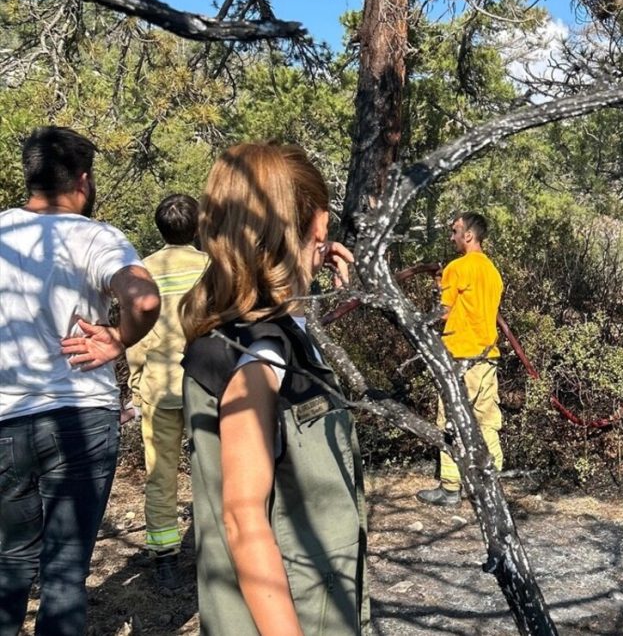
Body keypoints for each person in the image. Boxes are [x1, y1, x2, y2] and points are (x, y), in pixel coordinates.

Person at [179, 143, 368, 635]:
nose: (324, 248)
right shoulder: (262, 354)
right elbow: (244, 518)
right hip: (298, 611)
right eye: (320, 237)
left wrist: (314, 267)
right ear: (306, 230)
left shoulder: (230, 334)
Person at [0, 126, 161, 636]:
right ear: (83, 181)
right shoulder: (97, 237)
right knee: (65, 572)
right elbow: (144, 298)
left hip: (6, 420)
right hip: (80, 416)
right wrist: (118, 338)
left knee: (10, 563)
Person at [125, 193, 209, 589]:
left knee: (161, 474)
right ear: (198, 227)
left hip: (159, 387)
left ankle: (164, 559)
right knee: (215, 471)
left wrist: (136, 384)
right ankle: (219, 549)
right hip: (207, 384)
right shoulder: (212, 267)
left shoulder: (141, 271)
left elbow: (135, 337)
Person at [416, 212, 505, 507]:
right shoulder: (492, 271)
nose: (452, 237)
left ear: (468, 235)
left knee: (451, 422)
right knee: (486, 422)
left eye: (455, 231)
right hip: (488, 358)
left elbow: (444, 311)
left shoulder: (458, 267)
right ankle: (494, 484)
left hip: (460, 358)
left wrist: (416, 321)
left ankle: (451, 487)